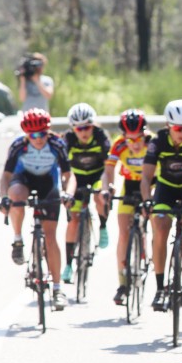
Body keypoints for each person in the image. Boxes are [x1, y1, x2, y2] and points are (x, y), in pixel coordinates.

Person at [0, 109, 72, 311]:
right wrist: (4, 198)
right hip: (24, 180)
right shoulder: (18, 146)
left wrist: (68, 193)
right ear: (26, 134)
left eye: (42, 134)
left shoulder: (57, 144)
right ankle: (18, 239)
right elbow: (5, 177)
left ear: (48, 131)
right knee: (16, 196)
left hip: (48, 183)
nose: (38, 139)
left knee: (50, 237)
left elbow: (68, 175)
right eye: (33, 135)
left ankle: (57, 289)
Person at [141, 99, 182, 311]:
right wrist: (146, 200)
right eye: (178, 129)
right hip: (165, 189)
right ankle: (160, 289)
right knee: (159, 229)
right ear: (169, 126)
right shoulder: (157, 141)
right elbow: (146, 177)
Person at [100, 109, 153, 305]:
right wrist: (108, 188)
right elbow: (108, 171)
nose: (136, 144)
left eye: (139, 138)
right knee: (123, 232)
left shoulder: (152, 143)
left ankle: (149, 252)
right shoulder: (119, 145)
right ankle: (122, 283)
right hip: (130, 184)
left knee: (155, 220)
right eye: (130, 140)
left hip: (152, 184)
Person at [61, 103, 112, 284]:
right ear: (73, 128)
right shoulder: (67, 139)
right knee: (74, 220)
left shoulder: (100, 136)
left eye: (87, 127)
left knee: (100, 196)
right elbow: (64, 169)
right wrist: (66, 192)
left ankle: (103, 225)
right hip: (77, 178)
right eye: (79, 128)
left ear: (93, 125)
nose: (84, 132)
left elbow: (108, 166)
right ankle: (68, 264)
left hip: (97, 176)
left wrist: (106, 188)